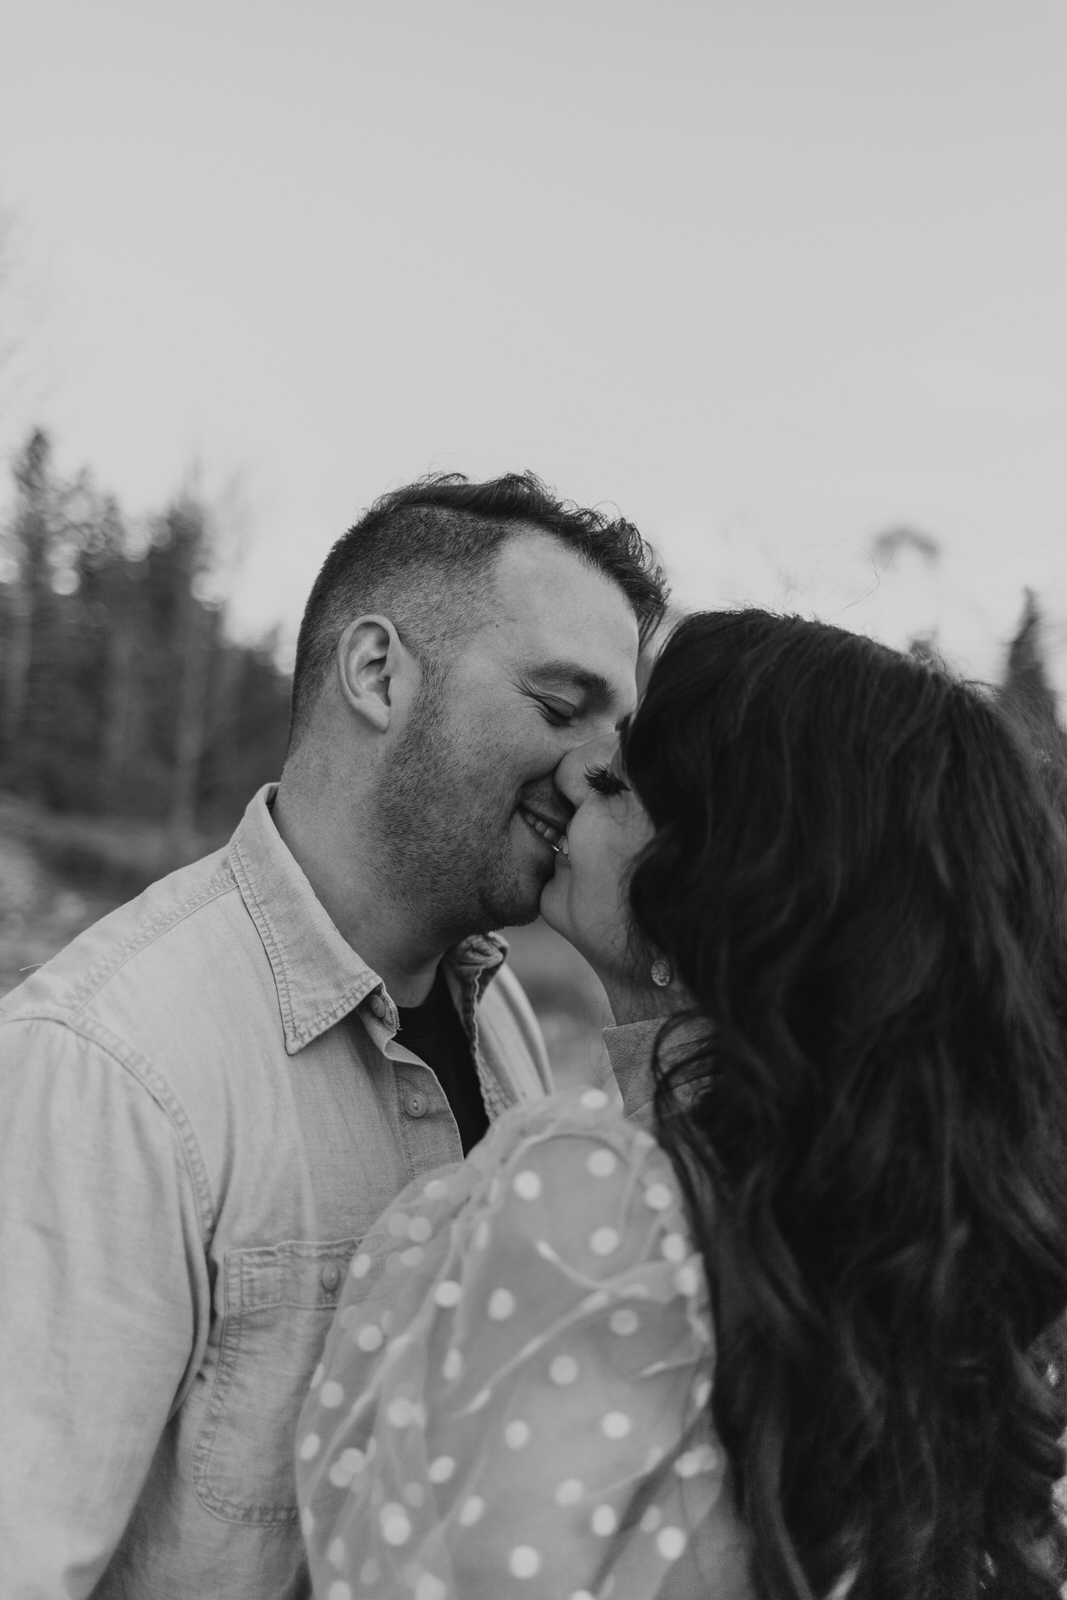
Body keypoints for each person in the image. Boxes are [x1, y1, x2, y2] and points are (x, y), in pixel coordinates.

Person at [298, 609, 1067, 1600]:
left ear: (717, 897)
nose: (575, 775)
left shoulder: (610, 1197)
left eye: (619, 779)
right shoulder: (910, 1255)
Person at [0, 471, 667, 1598]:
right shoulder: (105, 1066)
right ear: (377, 673)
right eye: (562, 707)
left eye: (619, 730)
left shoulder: (498, 1008)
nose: (600, 767)